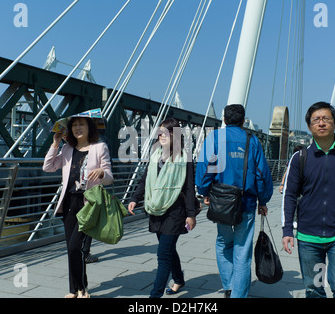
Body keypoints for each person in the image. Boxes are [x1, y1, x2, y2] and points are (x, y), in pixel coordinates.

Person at [281, 101, 335, 298]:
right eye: (316, 120)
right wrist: (287, 229)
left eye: (326, 119)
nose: (321, 123)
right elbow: (289, 195)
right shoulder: (300, 158)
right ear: (309, 126)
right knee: (315, 289)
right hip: (308, 238)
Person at [195, 104, 273, 298]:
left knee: (223, 242)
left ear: (224, 118)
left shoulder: (213, 138)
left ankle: (229, 286)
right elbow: (262, 174)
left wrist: (204, 191)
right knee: (242, 250)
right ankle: (238, 294)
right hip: (246, 202)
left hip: (221, 202)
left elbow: (205, 168)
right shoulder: (252, 140)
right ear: (243, 120)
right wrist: (263, 200)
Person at [43, 115, 113, 298]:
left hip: (88, 204)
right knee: (70, 248)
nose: (77, 128)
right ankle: (73, 290)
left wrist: (101, 173)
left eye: (81, 124)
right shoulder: (67, 149)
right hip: (68, 204)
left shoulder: (100, 148)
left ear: (90, 127)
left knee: (76, 247)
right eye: (74, 125)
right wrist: (55, 144)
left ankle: (82, 288)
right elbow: (48, 167)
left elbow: (109, 178)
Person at [128, 118, 197, 298]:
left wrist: (191, 215)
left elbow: (189, 188)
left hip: (176, 212)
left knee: (163, 254)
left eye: (166, 132)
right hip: (157, 209)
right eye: (160, 133)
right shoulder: (155, 155)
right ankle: (179, 279)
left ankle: (155, 296)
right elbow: (145, 179)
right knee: (168, 249)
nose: (162, 136)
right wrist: (135, 198)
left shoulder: (185, 158)